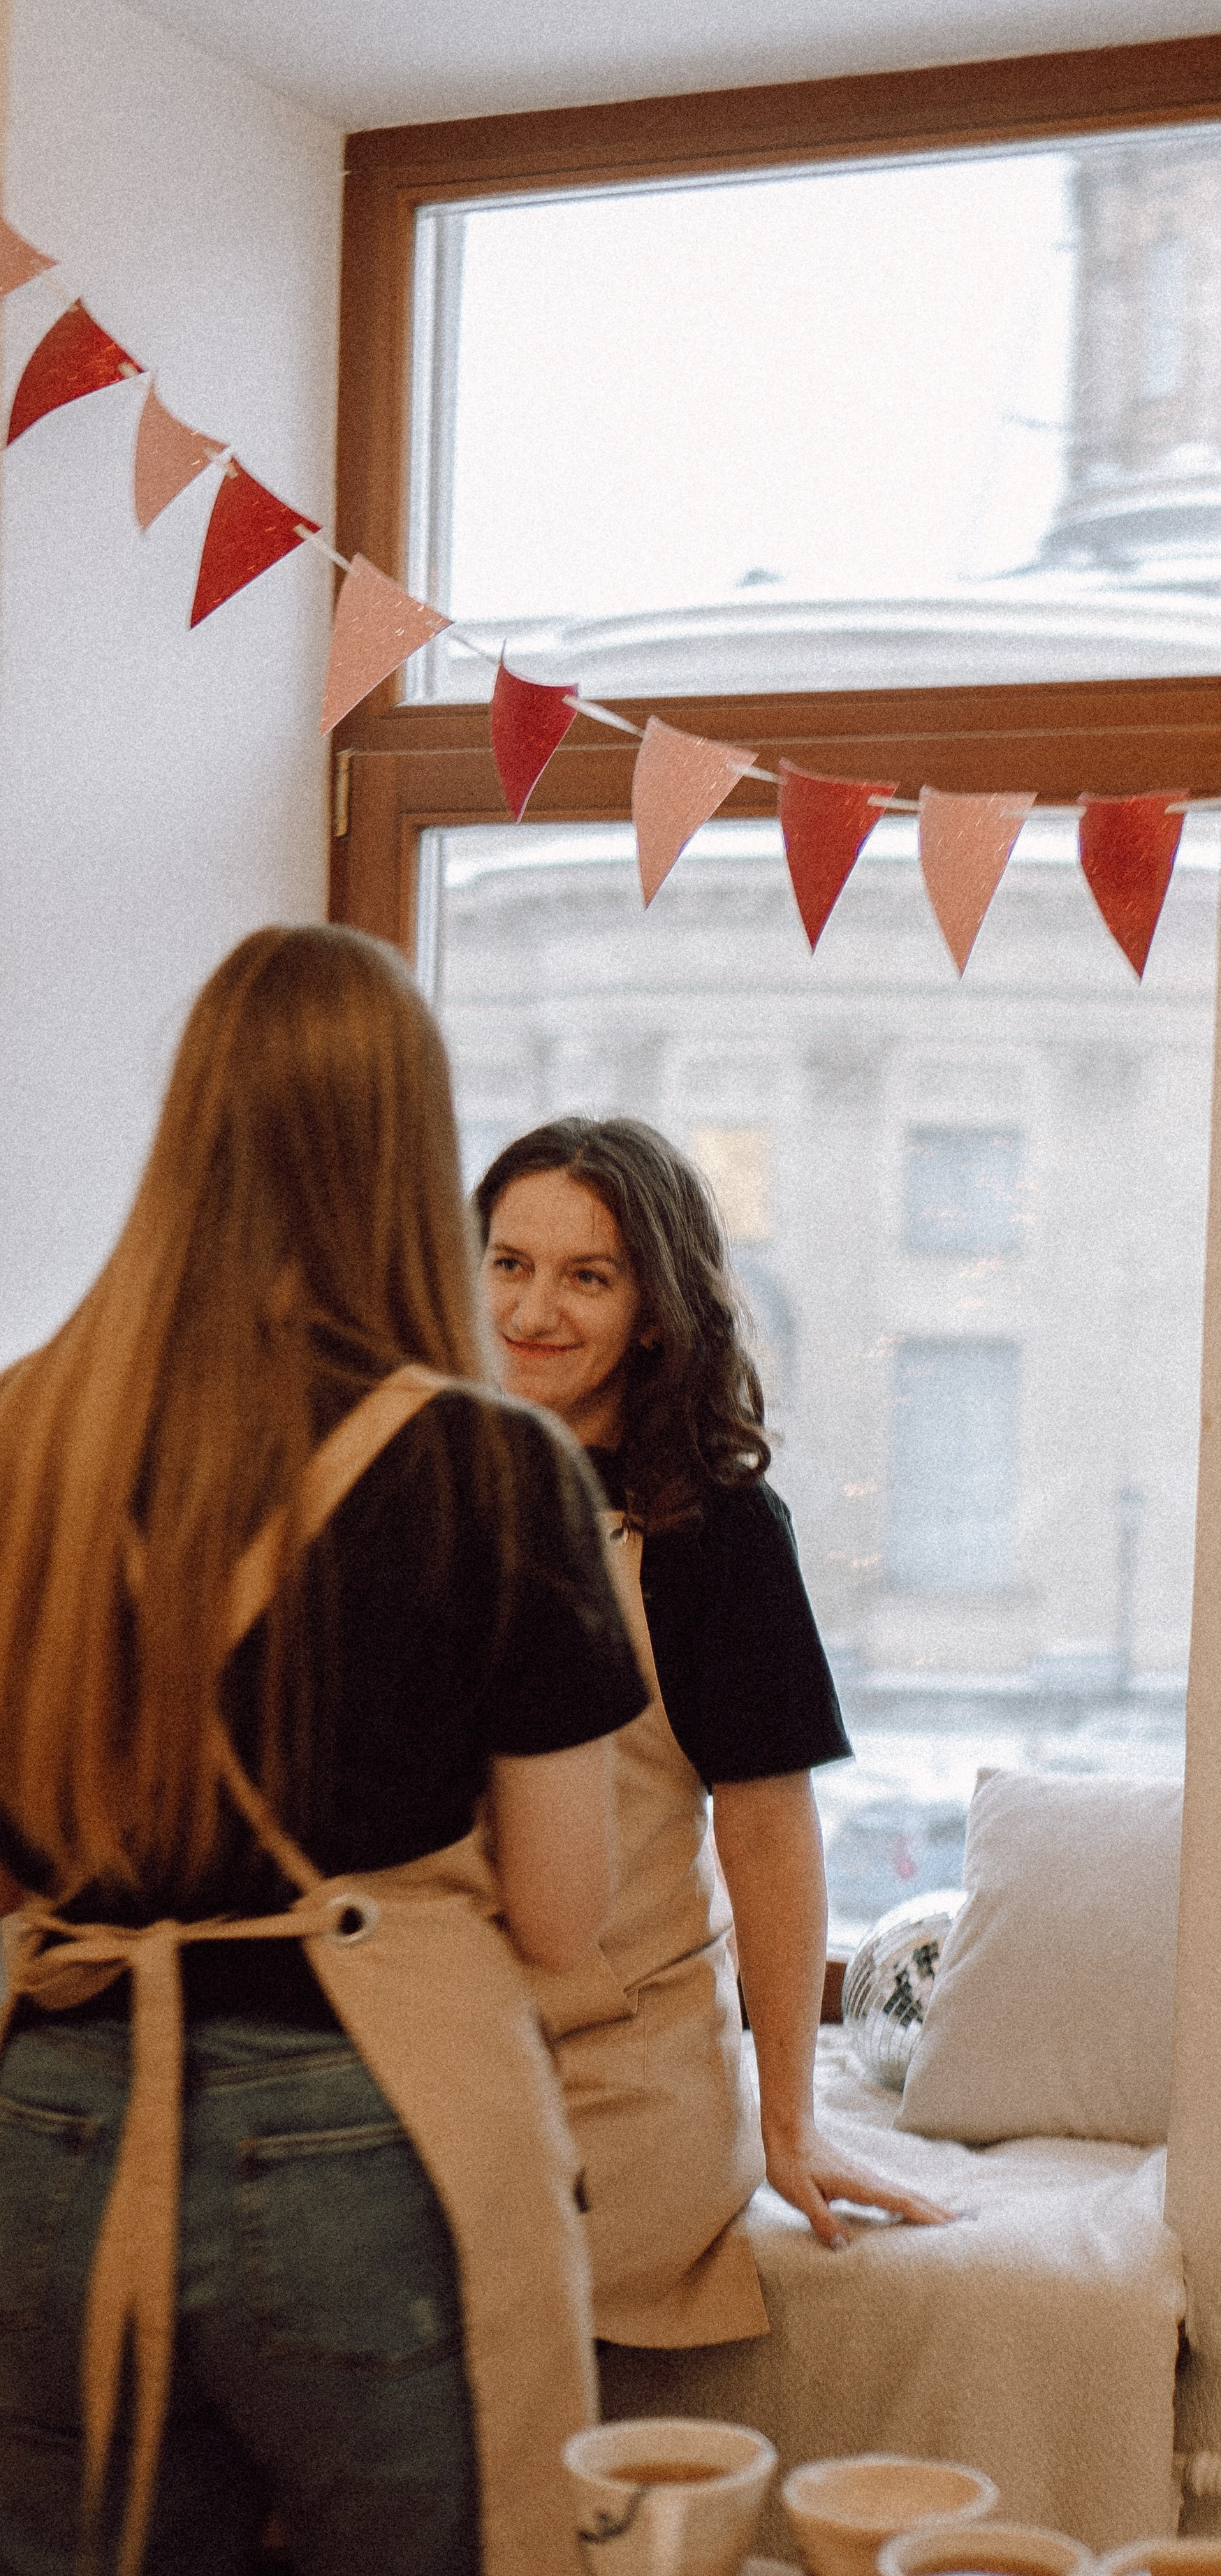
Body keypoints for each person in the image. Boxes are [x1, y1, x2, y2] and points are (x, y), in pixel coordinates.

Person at [0, 928, 649, 2576]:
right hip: (360, 2144)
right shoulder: (497, 1472)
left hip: (44, 2131)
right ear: (401, 1157)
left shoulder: (19, 1435)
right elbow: (566, 1918)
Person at [475, 1115, 945, 2349]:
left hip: (620, 2083)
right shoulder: (421, 1485)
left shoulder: (716, 1533)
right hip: (429, 2048)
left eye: (588, 1276)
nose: (532, 1310)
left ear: (656, 1308)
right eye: (509, 1263)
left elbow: (772, 1840)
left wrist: (791, 2121)